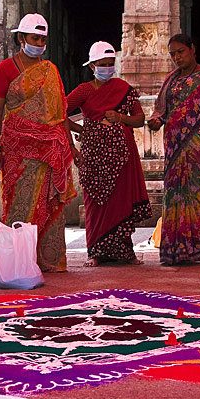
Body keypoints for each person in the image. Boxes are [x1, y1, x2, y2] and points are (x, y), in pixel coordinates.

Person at [0, 13, 77, 272]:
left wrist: (70, 146)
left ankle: (49, 261)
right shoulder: (5, 69)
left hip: (51, 149)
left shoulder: (50, 71)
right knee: (19, 204)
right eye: (34, 38)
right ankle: (19, 262)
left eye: (42, 39)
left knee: (51, 203)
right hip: (17, 149)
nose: (38, 43)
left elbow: (60, 113)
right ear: (21, 38)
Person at [147, 33, 200, 266]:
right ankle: (179, 249)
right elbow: (161, 111)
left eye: (181, 52)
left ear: (192, 49)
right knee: (177, 194)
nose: (177, 57)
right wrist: (157, 121)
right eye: (173, 54)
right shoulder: (171, 81)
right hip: (176, 146)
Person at [66, 41, 150, 266]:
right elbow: (59, 113)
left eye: (110, 64)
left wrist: (120, 118)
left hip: (122, 155)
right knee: (95, 201)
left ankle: (125, 252)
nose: (107, 68)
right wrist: (81, 130)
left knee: (121, 201)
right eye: (102, 64)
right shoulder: (84, 90)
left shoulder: (124, 88)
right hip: (93, 154)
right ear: (92, 66)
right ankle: (95, 252)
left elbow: (140, 119)